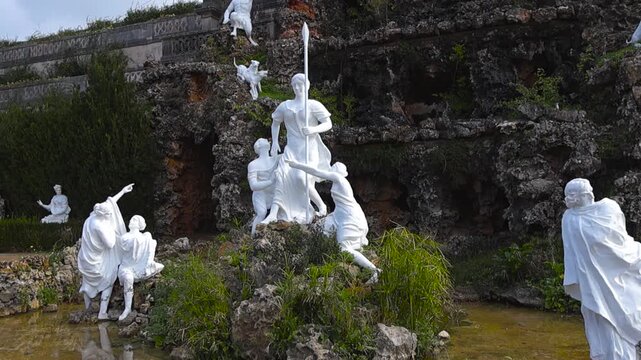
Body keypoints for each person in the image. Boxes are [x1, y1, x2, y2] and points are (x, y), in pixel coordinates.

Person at [562, 178, 641, 359]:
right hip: (592, 282)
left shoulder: (607, 209)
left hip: (614, 277)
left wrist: (634, 253)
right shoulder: (569, 219)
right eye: (568, 196)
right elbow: (573, 251)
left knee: (619, 318)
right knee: (602, 322)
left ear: (586, 194)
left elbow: (618, 242)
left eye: (572, 196)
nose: (569, 200)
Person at [286, 159, 381, 283]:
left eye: (337, 166)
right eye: (334, 166)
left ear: (343, 172)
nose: (334, 167)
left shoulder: (339, 179)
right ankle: (321, 258)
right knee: (320, 227)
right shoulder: (338, 182)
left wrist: (297, 165)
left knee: (344, 248)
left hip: (349, 217)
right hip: (340, 215)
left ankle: (374, 269)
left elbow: (316, 171)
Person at [261, 73, 333, 224]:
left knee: (302, 179)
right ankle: (274, 213)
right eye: (295, 85)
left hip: (308, 149)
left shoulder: (313, 105)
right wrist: (274, 142)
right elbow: (275, 123)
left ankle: (321, 206)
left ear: (307, 86)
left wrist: (314, 129)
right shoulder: (285, 106)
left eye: (301, 85)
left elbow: (328, 123)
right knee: (281, 177)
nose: (298, 88)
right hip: (291, 150)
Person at [77, 183, 134, 320]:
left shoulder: (91, 217)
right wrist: (113, 231)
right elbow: (110, 244)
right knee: (108, 279)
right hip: (97, 260)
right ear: (104, 215)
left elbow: (110, 202)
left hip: (86, 258)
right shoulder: (100, 226)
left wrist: (122, 191)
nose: (111, 216)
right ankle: (102, 313)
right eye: (109, 215)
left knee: (87, 282)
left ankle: (87, 309)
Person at [117, 215, 164, 321]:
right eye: (131, 219)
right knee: (128, 278)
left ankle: (146, 268)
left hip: (140, 267)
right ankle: (127, 308)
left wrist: (148, 239)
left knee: (160, 266)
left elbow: (150, 246)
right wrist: (144, 238)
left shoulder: (144, 237)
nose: (131, 221)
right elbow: (129, 245)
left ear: (139, 225)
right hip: (126, 268)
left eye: (134, 220)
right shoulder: (125, 237)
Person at [247, 138, 278, 235]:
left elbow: (292, 154)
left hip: (274, 193)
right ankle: (252, 237)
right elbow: (253, 186)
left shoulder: (276, 159)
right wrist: (270, 181)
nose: (266, 141)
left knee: (279, 213)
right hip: (261, 193)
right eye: (262, 140)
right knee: (261, 213)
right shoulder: (253, 165)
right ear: (258, 147)